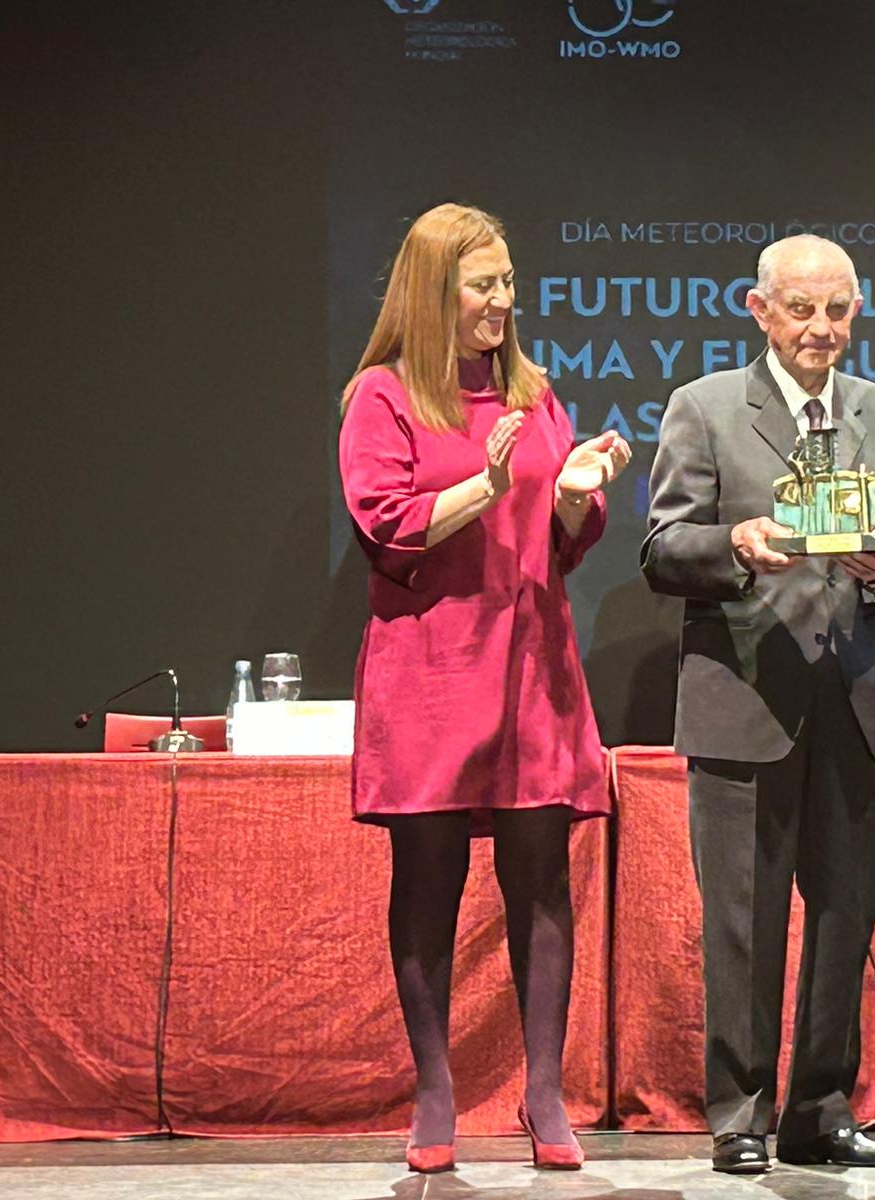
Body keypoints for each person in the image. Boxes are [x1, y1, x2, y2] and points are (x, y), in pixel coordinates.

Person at [337, 202, 631, 1175]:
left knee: (541, 883)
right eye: (483, 284)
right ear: (434, 292)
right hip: (432, 671)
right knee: (427, 882)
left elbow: (552, 537)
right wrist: (487, 484)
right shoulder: (382, 397)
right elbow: (385, 526)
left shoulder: (534, 392)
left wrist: (579, 490)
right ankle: (435, 1096)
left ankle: (544, 1099)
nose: (502, 301)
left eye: (508, 281)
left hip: (533, 666)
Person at [642, 235, 875, 1174]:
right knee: (743, 920)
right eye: (801, 310)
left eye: (838, 310)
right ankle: (740, 1115)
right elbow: (662, 547)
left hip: (855, 700)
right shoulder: (706, 407)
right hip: (743, 702)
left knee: (846, 915)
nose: (821, 329)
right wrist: (741, 541)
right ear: (758, 310)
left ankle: (821, 1110)